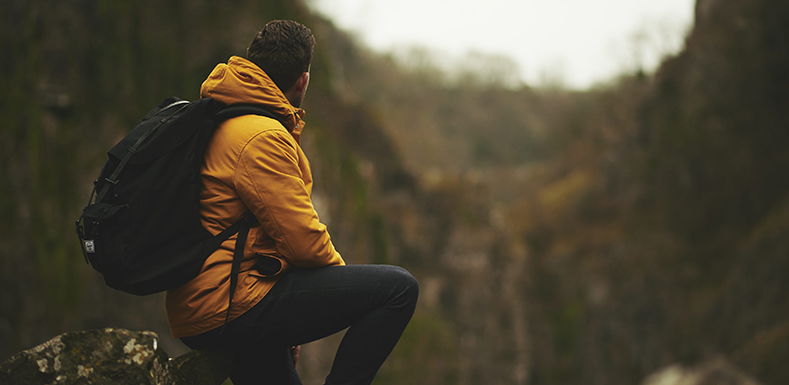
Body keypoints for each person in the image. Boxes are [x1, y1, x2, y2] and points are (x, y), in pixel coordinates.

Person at [164, 20, 419, 385]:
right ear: (303, 80)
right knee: (398, 288)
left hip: (208, 302)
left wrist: (292, 322)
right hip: (229, 305)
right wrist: (337, 289)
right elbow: (303, 241)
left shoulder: (222, 115)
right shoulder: (261, 136)